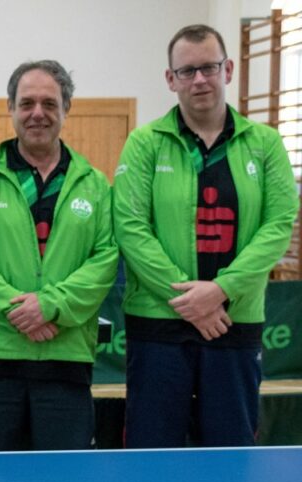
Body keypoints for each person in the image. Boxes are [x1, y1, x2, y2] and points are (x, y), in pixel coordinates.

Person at [113, 24, 298, 448]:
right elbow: (131, 227)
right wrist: (191, 302)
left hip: (233, 322)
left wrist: (220, 291)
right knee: (152, 454)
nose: (199, 79)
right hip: (158, 326)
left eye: (209, 68)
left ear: (228, 69)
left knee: (230, 455)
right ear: (170, 79)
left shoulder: (266, 144)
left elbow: (278, 226)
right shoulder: (144, 144)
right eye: (187, 71)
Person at [0, 60, 117, 452]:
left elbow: (105, 259)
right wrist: (19, 312)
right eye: (26, 103)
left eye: (49, 103)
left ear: (66, 109)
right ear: (10, 108)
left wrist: (50, 306)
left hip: (65, 361)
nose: (37, 113)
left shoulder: (95, 186)